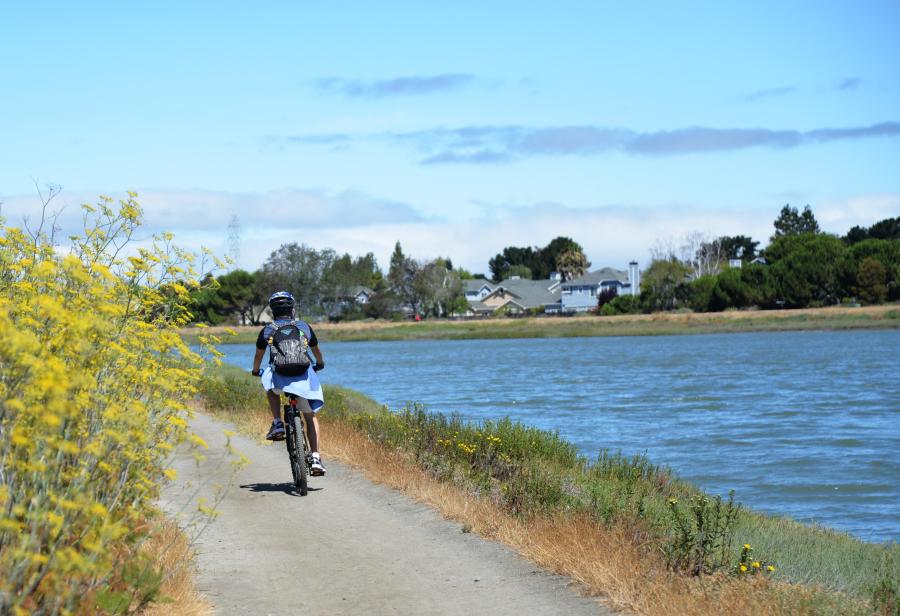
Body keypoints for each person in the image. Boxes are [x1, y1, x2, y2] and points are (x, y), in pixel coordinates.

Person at [251, 291, 327, 476]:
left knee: (268, 379)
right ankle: (316, 458)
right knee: (310, 417)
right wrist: (320, 363)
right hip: (303, 379)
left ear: (273, 311)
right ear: (292, 309)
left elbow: (258, 357)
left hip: (280, 378)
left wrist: (255, 371)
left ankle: (277, 421)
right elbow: (316, 352)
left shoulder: (267, 330)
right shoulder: (304, 327)